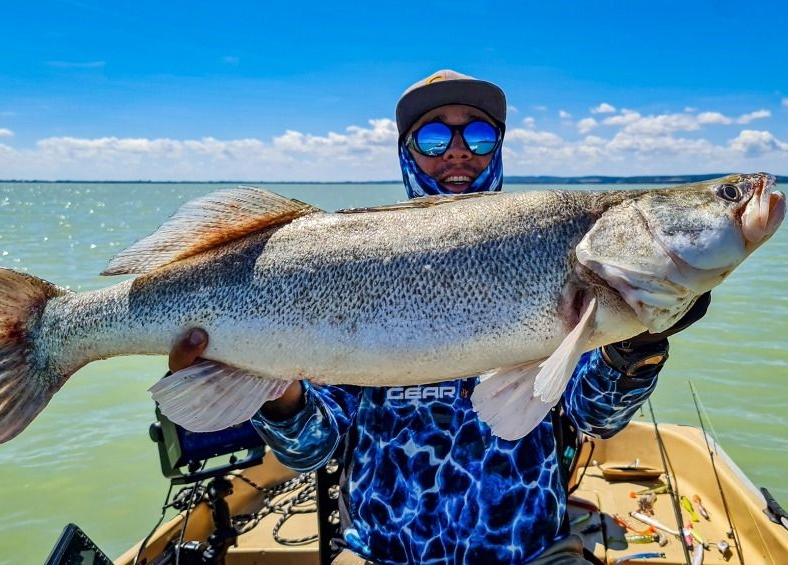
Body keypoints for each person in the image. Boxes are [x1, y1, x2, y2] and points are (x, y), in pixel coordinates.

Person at [168, 70, 710, 564]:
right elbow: (310, 450)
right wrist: (270, 387)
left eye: (478, 136)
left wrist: (633, 350)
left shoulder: (556, 252)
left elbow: (595, 420)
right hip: (383, 551)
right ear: (406, 152)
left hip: (530, 548)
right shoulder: (349, 258)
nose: (458, 153)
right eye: (433, 138)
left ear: (498, 148)